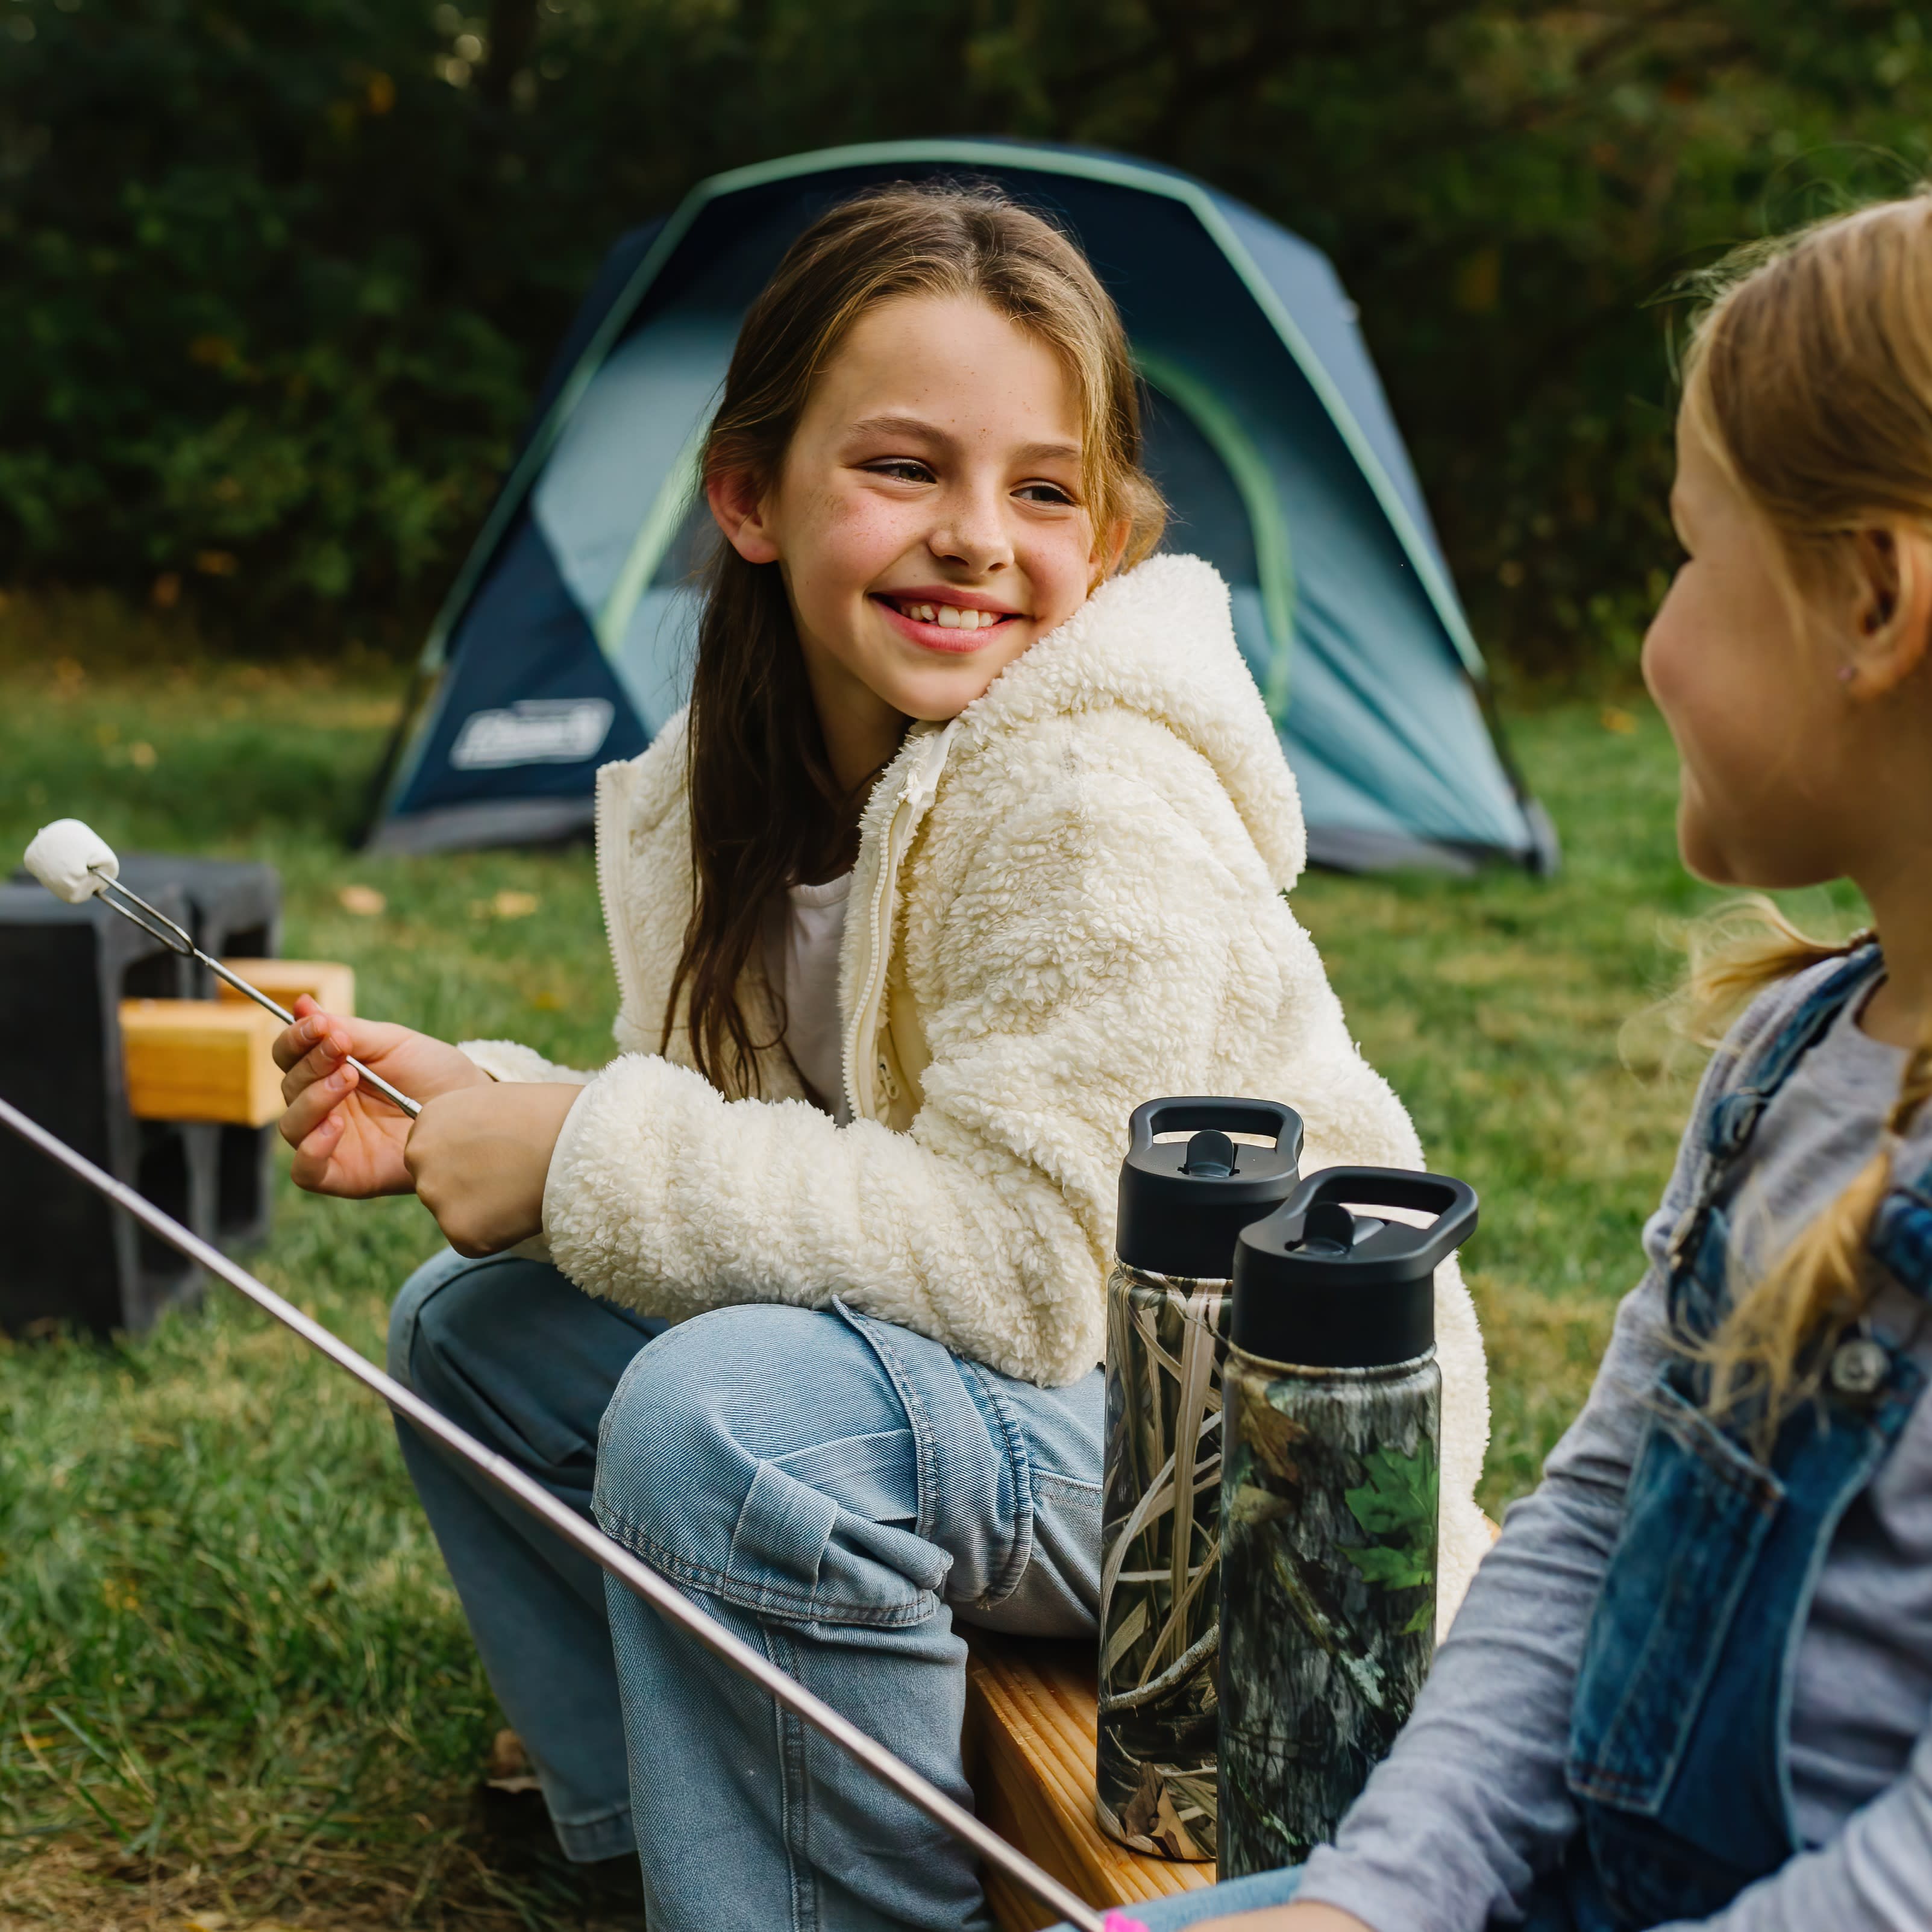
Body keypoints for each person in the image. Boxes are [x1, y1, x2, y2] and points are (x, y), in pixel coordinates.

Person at [271, 181, 1491, 1932]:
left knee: (736, 1426)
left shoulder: (1085, 794)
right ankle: (652, 1839)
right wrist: (493, 1100)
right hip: (1032, 1415)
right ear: (749, 498)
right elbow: (749, 1161)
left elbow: (1039, 1278)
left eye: (1044, 488)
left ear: (1112, 535)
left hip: (1251, 1471)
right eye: (906, 470)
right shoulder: (724, 785)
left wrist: (580, 1155)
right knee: (475, 1333)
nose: (979, 535)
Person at [1096, 194, 1932, 1932]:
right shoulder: (1787, 1062)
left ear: (1871, 597)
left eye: (1691, 557)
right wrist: (1373, 1904)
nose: (1653, 643)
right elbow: (1587, 1540)